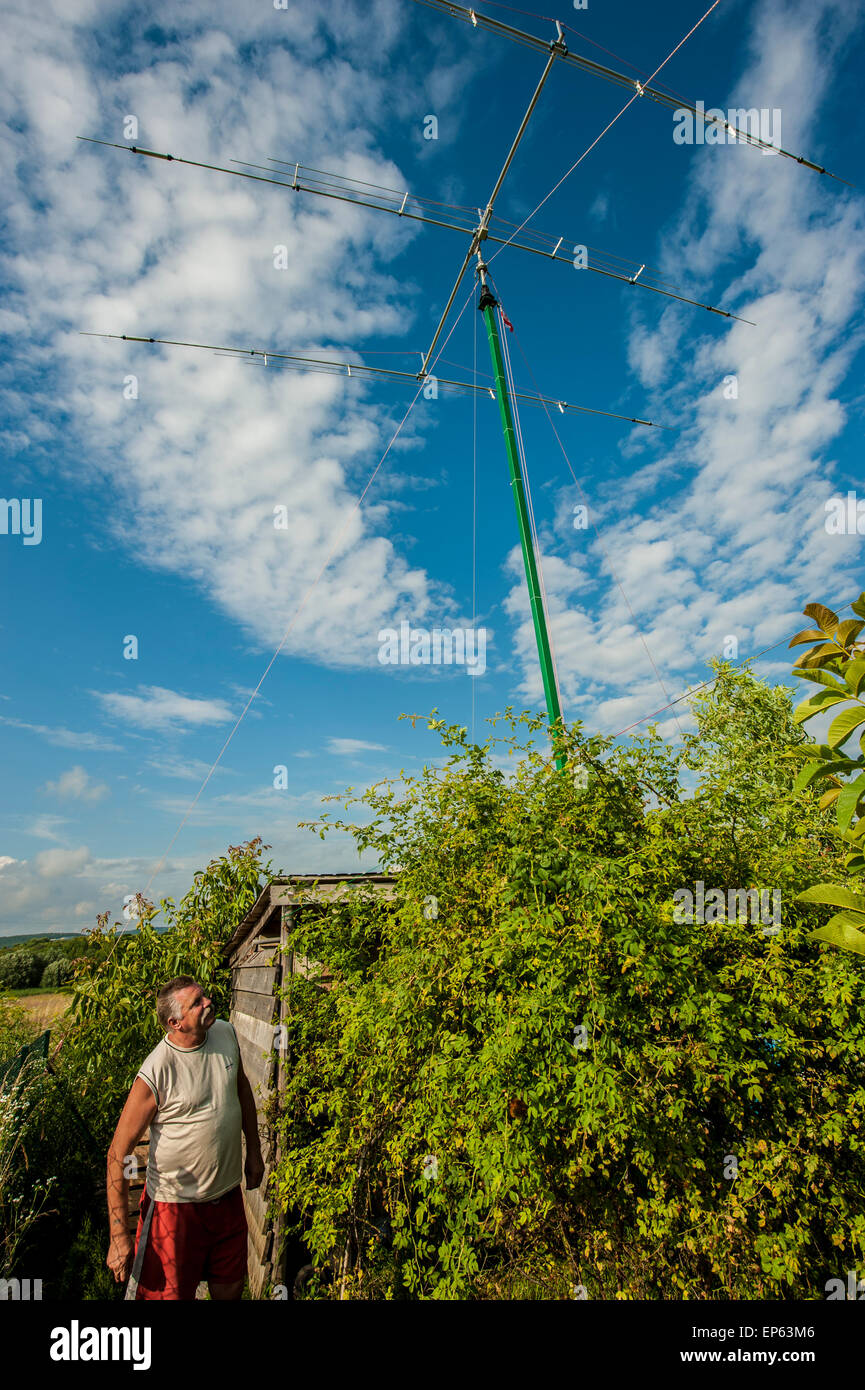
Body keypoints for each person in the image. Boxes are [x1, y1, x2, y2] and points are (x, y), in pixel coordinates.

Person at [105, 976, 265, 1300]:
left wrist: (255, 1152)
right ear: (175, 1023)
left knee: (232, 1289)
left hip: (227, 1199)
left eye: (203, 996)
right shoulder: (157, 1070)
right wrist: (119, 1235)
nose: (208, 1003)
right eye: (197, 1003)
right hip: (174, 1209)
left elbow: (241, 1088)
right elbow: (117, 1153)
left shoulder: (225, 1033)